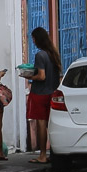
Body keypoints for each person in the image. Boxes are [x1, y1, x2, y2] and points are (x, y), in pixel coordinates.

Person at [24, 27, 61, 162]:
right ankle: (53, 153)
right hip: (52, 92)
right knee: (51, 124)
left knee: (41, 125)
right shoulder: (53, 54)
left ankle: (42, 155)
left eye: (33, 38)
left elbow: (41, 76)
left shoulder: (40, 55)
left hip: (40, 93)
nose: (33, 41)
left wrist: (28, 76)